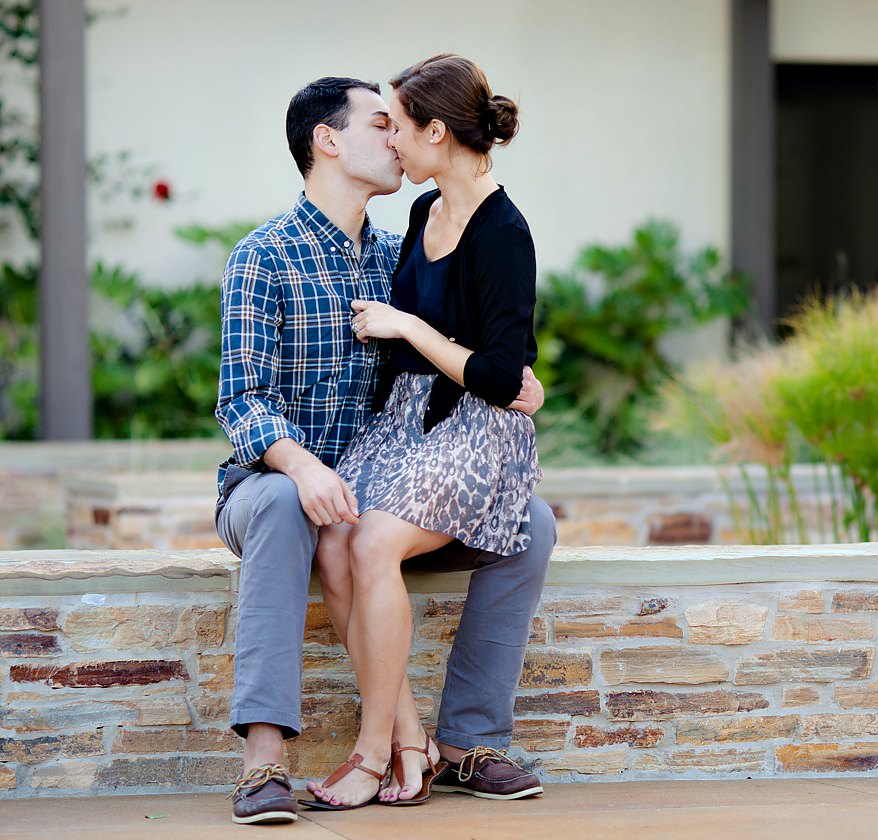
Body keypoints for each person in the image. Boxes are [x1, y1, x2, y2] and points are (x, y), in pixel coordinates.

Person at [215, 74, 553, 825]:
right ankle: (266, 760)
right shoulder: (262, 257)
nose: (395, 138)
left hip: (388, 475)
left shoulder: (398, 253)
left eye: (399, 123)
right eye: (380, 124)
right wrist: (303, 468)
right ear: (327, 142)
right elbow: (240, 400)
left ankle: (467, 741)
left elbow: (478, 345)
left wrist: (521, 384)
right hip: (277, 480)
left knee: (533, 524)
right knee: (285, 505)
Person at [304, 53, 548, 811]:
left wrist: (405, 323)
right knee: (341, 537)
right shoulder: (420, 214)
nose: (393, 143)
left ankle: (371, 754)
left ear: (438, 131)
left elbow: (505, 381)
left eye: (400, 127)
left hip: (475, 432)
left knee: (373, 543)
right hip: (405, 422)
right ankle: (412, 738)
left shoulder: (505, 233)